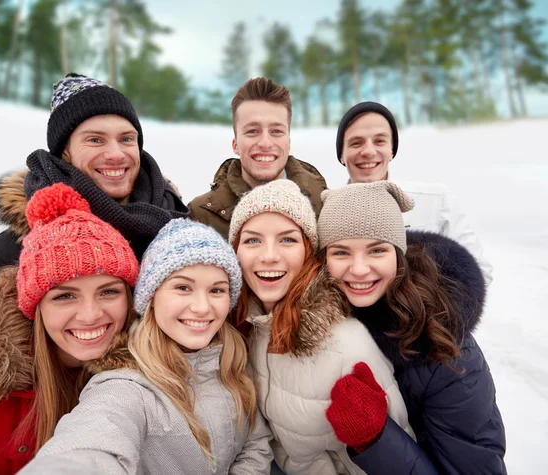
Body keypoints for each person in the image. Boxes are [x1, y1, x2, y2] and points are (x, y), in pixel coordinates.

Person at [18, 219, 273, 475]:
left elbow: (256, 444)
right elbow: (92, 439)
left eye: (217, 290)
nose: (202, 307)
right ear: (151, 298)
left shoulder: (232, 361)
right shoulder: (128, 385)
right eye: (183, 287)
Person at [0, 183, 139, 474]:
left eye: (108, 292)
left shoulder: (150, 379)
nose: (90, 315)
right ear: (35, 308)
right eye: (64, 296)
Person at [318, 181, 507, 474]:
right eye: (341, 253)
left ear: (398, 254)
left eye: (376, 250)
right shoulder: (322, 323)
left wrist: (377, 441)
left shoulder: (447, 351)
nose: (358, 268)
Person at [228, 179, 414, 474]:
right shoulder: (249, 329)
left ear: (308, 253)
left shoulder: (347, 344)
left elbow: (396, 461)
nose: (269, 256)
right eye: (252, 240)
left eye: (287, 239)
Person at [0, 73, 188, 287]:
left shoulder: (180, 224)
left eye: (126, 139)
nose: (116, 154)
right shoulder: (12, 255)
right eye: (95, 140)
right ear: (65, 152)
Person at [335, 101, 493, 285]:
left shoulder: (436, 202)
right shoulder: (325, 213)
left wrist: (423, 306)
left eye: (379, 141)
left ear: (392, 150)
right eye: (356, 143)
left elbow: (478, 273)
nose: (369, 151)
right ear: (341, 155)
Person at [188, 77, 327, 240]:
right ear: (235, 145)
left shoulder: (323, 204)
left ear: (288, 142)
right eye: (252, 131)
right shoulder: (201, 216)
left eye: (276, 131)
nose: (265, 143)